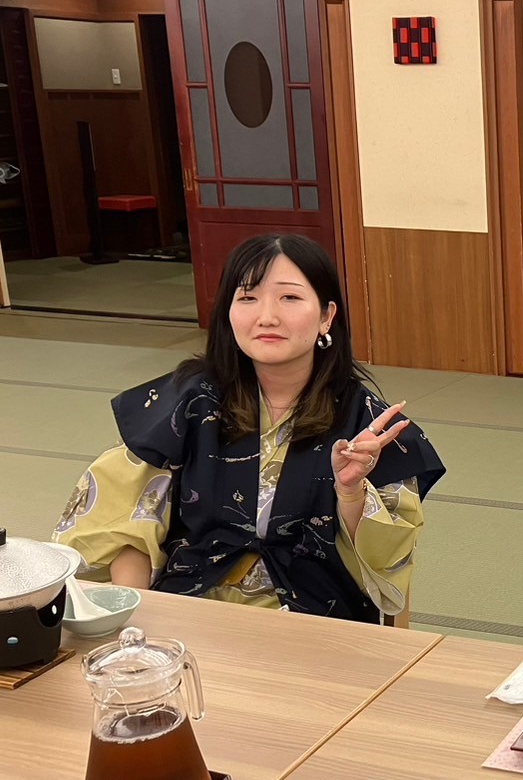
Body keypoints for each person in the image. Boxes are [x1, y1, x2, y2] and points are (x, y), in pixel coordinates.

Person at [55, 234, 444, 623]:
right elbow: (128, 523)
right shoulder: (188, 402)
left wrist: (351, 492)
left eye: (289, 297)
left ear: (327, 316)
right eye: (248, 297)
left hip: (313, 618)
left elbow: (388, 564)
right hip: (192, 605)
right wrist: (135, 622)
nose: (267, 316)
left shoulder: (366, 425)